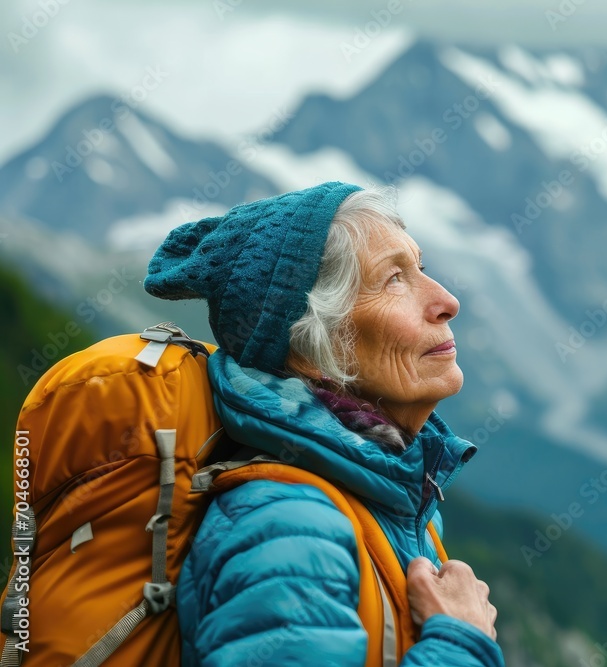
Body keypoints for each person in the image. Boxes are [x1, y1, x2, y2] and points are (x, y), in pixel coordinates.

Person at [143, 181, 503, 666]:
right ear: (314, 348)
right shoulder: (288, 530)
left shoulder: (383, 499)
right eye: (393, 279)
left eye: (421, 268)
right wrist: (461, 643)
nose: (447, 301)